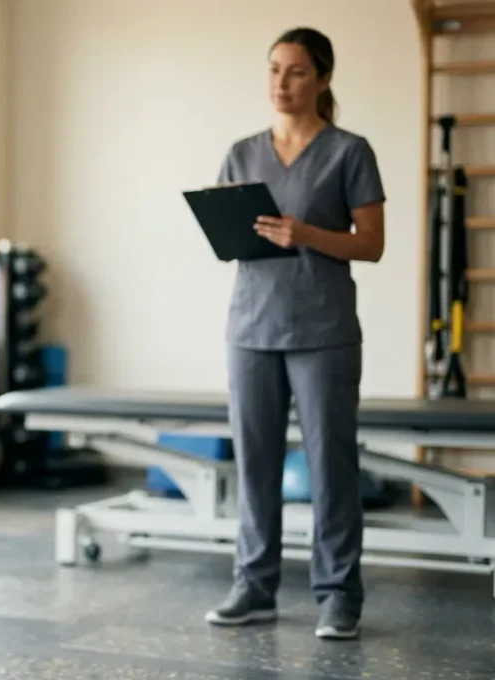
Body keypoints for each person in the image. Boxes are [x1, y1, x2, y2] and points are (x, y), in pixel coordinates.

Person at [203, 27, 386, 641]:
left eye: (297, 72)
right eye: (275, 70)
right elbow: (234, 238)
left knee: (331, 464)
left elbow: (372, 244)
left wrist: (304, 233)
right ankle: (253, 588)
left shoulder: (349, 152)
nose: (282, 83)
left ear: (324, 79)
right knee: (255, 464)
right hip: (251, 328)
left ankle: (339, 596)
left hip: (324, 330)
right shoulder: (241, 151)